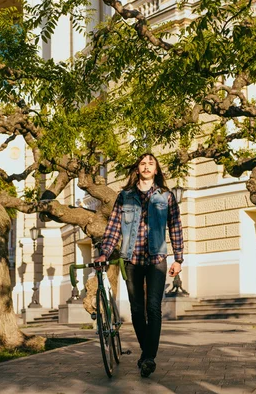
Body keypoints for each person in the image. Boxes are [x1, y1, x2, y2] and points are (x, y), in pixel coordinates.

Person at [94, 153, 184, 378]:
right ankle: (146, 353)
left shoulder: (166, 196)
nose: (146, 167)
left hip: (157, 260)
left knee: (153, 307)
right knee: (136, 310)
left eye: (150, 164)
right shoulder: (125, 197)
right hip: (131, 260)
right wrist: (104, 253)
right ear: (137, 169)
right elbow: (114, 227)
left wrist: (179, 259)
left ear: (156, 170)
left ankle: (150, 357)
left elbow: (175, 227)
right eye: (142, 164)